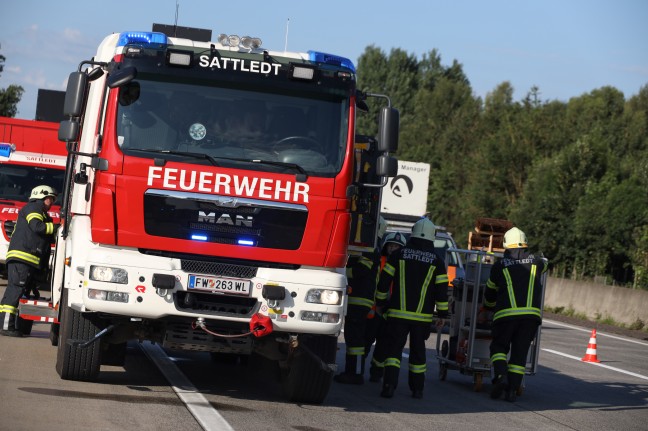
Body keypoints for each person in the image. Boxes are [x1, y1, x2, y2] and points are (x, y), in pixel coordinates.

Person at [375, 218, 449, 398]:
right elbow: (441, 291)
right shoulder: (437, 261)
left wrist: (381, 303)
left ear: (413, 233)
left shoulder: (398, 255)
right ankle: (417, 389)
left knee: (394, 351)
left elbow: (384, 282)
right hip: (421, 318)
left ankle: (388, 386)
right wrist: (442, 314)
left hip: (397, 314)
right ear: (432, 236)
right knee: (418, 353)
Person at [482, 227, 548, 402]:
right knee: (519, 354)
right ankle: (511, 391)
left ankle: (501, 376)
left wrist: (488, 307)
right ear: (525, 243)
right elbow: (546, 264)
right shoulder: (537, 262)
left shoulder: (499, 266)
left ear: (506, 245)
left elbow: (490, 292)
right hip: (531, 318)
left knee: (499, 348)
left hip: (505, 316)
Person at [0, 185, 59, 337]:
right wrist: (57, 227)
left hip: (24, 259)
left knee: (15, 291)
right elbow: (37, 227)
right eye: (50, 199)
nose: (51, 202)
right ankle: (7, 327)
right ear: (42, 197)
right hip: (23, 258)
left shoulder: (37, 210)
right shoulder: (34, 208)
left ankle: (6, 324)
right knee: (15, 291)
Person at [366, 231, 407, 382]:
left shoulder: (403, 265)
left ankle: (376, 372)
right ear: (386, 246)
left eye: (397, 246)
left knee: (384, 345)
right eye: (391, 246)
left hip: (390, 310)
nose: (393, 249)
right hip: (374, 307)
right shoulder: (379, 260)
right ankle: (358, 367)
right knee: (366, 339)